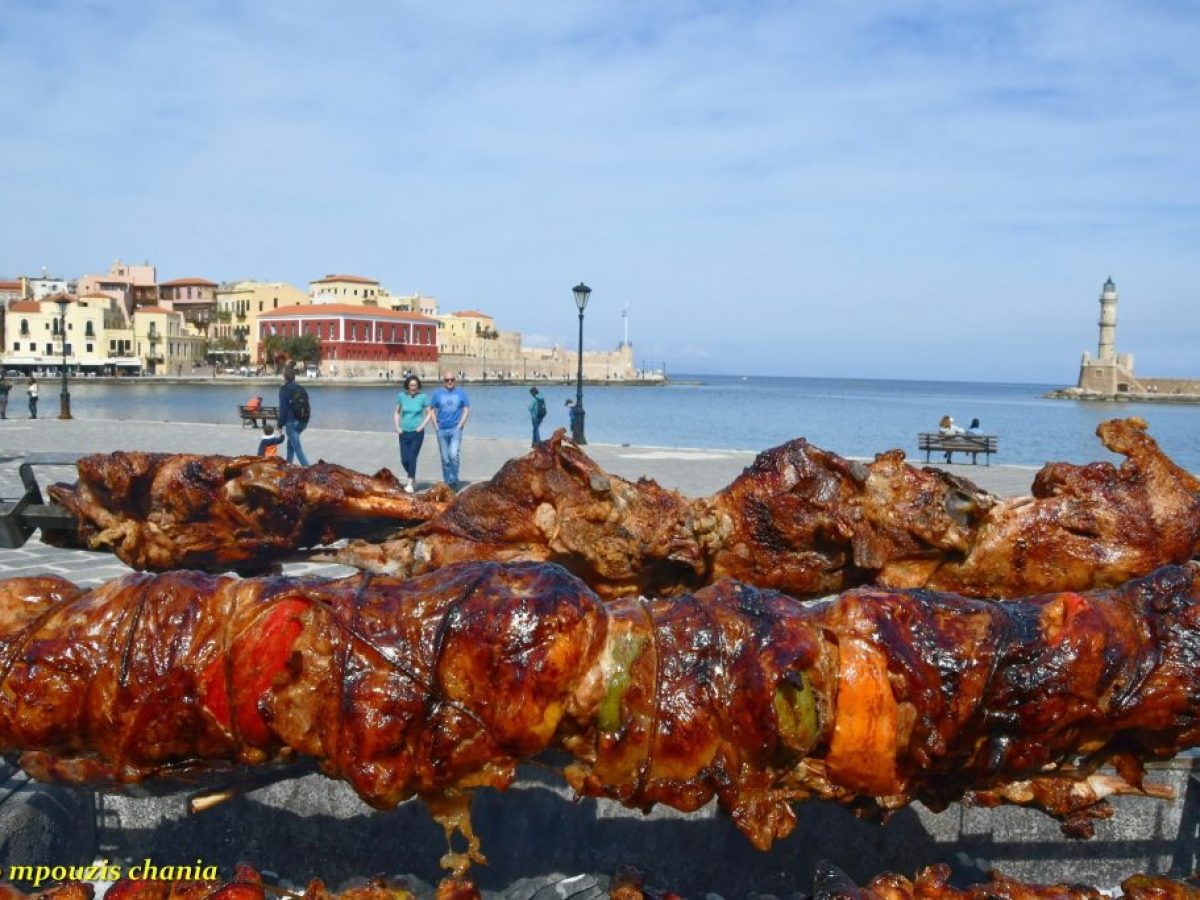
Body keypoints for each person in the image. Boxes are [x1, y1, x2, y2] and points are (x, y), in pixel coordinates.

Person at [430, 372, 470, 488]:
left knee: (453, 455)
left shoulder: (461, 393)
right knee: (445, 458)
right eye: (447, 380)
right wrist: (435, 426)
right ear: (444, 381)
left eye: (451, 379)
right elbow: (431, 410)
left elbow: (466, 409)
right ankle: (447, 481)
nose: (449, 382)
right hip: (441, 429)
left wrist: (461, 424)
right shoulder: (437, 394)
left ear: (455, 380)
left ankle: (453, 481)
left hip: (455, 429)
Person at [393, 374, 432, 493]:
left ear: (418, 386)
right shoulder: (401, 396)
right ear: (408, 386)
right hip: (403, 432)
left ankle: (410, 483)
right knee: (404, 459)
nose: (413, 387)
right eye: (411, 385)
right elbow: (396, 413)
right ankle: (413, 476)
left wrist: (422, 426)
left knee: (412, 457)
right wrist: (397, 426)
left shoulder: (423, 397)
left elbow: (430, 413)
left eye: (415, 385)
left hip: (417, 432)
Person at [278, 363, 310, 466]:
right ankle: (289, 465)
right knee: (290, 444)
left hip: (292, 423)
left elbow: (283, 410)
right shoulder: (301, 388)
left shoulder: (284, 390)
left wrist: (279, 425)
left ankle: (308, 469)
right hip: (303, 422)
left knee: (297, 448)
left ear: (284, 377)